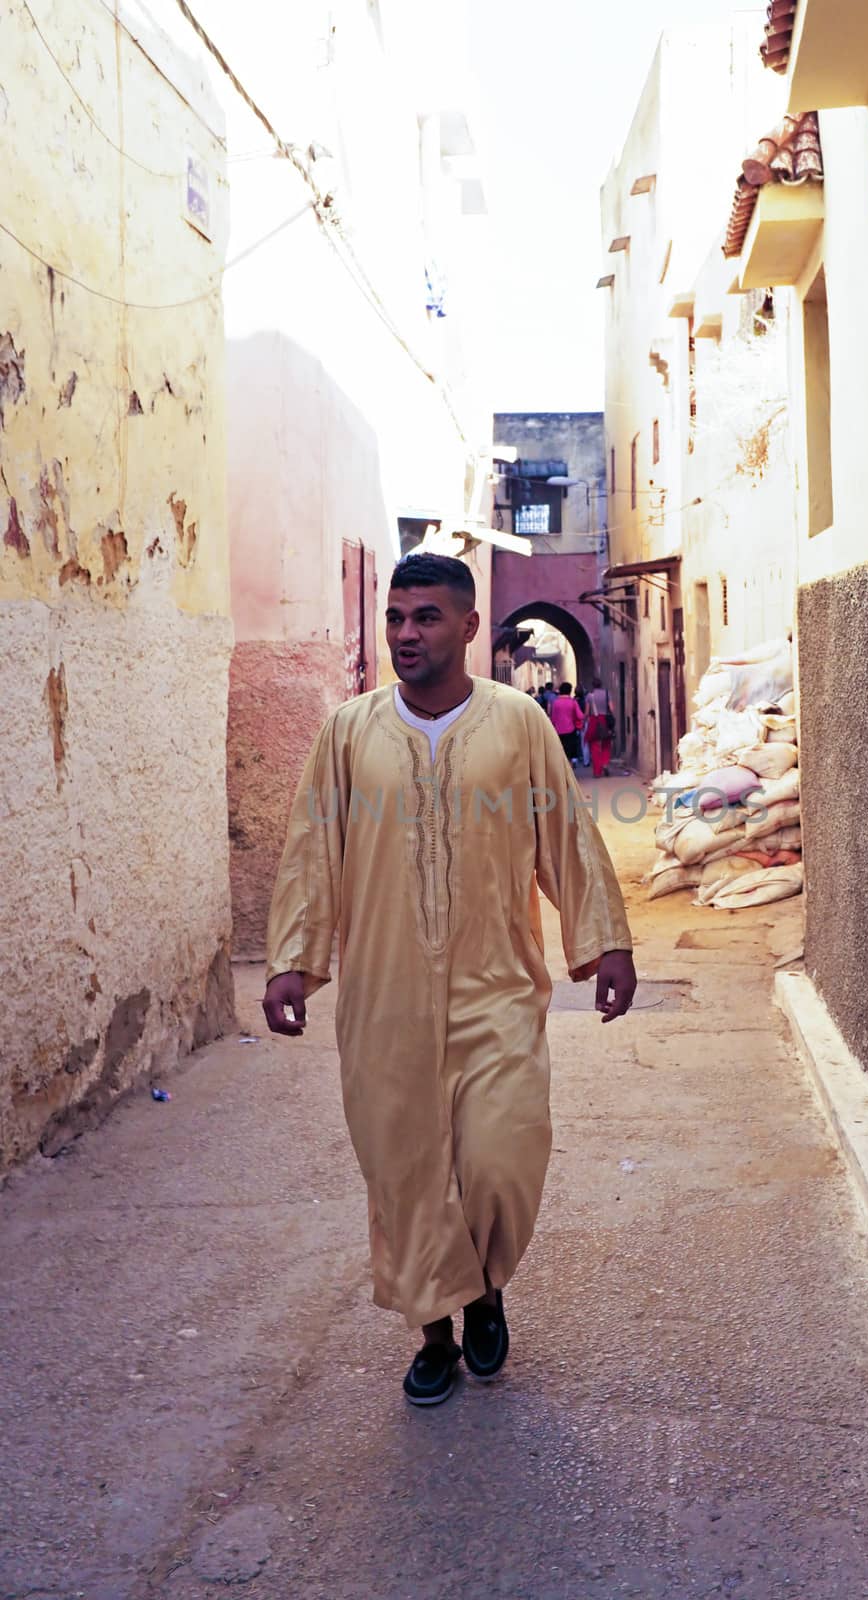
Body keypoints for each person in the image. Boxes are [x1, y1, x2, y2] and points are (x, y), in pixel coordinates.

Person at [261, 553, 636, 1408]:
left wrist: (602, 942)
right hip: (384, 998)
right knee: (405, 1170)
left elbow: (565, 835)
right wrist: (293, 959)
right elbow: (313, 853)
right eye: (395, 617)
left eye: (426, 617)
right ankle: (435, 1332)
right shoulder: (348, 734)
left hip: (496, 984)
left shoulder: (518, 724)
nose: (405, 634)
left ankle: (486, 1290)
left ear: (471, 628)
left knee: (500, 1156)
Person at [549, 681, 585, 768]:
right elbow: (580, 716)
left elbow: (553, 718)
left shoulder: (555, 703)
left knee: (561, 752)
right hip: (570, 730)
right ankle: (570, 769)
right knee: (570, 752)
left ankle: (562, 769)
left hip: (558, 731)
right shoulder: (572, 702)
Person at [585, 677, 614, 779]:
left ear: (593, 685)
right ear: (601, 684)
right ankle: (605, 763)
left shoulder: (589, 696)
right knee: (606, 743)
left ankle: (597, 771)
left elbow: (587, 712)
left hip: (594, 720)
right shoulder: (607, 693)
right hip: (605, 720)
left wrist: (585, 720)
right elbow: (611, 708)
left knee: (594, 746)